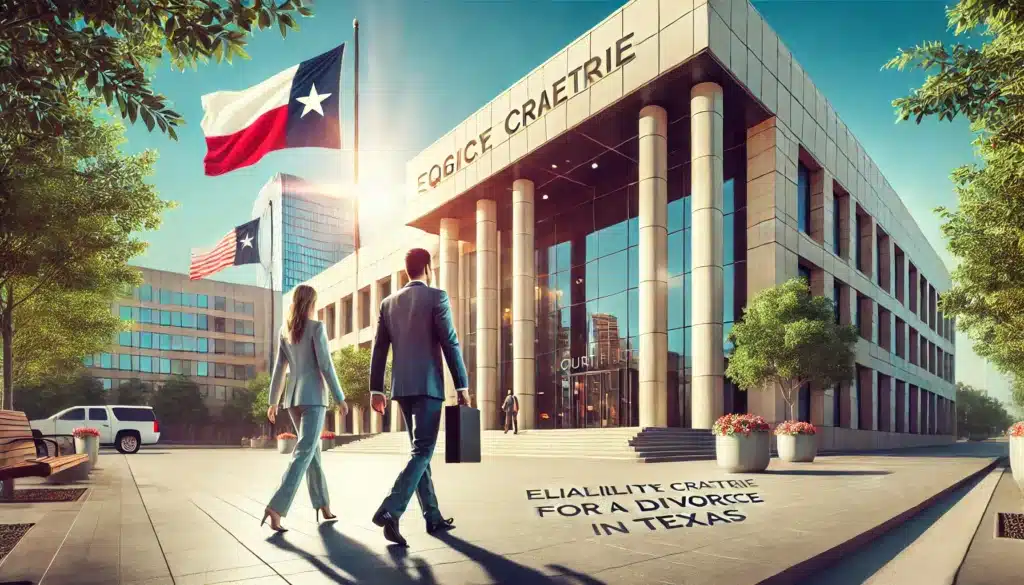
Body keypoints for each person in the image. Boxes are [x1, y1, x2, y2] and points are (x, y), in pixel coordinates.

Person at [369, 248, 470, 547]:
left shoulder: (388, 303)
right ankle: (391, 509)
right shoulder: (437, 297)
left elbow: (379, 348)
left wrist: (377, 389)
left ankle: (433, 517)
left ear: (405, 270)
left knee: (419, 452)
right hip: (428, 386)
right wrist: (462, 384)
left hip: (401, 388)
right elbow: (449, 342)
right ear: (427, 267)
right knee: (424, 450)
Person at [261, 284, 349, 532]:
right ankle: (276, 507)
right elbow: (326, 365)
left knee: (312, 452)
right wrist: (340, 397)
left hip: (293, 400)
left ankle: (323, 505)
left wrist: (273, 401)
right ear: (311, 303)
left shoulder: (285, 331)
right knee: (304, 453)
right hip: (313, 399)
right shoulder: (316, 328)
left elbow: (279, 368)